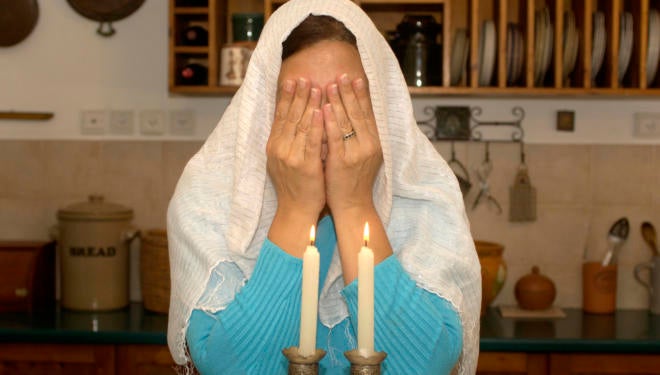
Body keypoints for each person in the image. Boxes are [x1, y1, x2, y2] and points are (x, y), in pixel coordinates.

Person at [166, 0, 481, 374]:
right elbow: (227, 366)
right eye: (298, 104)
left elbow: (426, 366)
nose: (325, 129)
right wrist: (296, 210)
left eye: (346, 102)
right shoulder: (208, 196)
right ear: (262, 109)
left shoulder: (425, 195)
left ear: (380, 106)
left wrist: (354, 205)